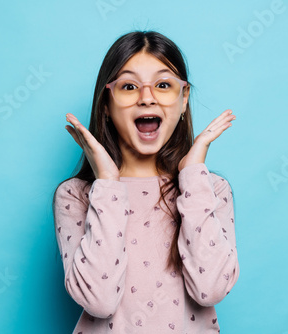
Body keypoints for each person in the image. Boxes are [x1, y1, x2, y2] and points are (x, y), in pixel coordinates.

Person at [53, 30, 239, 333]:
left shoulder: (210, 189)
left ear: (183, 100)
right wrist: (109, 183)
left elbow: (210, 290)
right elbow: (99, 301)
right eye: (129, 86)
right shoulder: (76, 195)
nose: (147, 97)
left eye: (164, 85)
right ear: (106, 105)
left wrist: (192, 175)